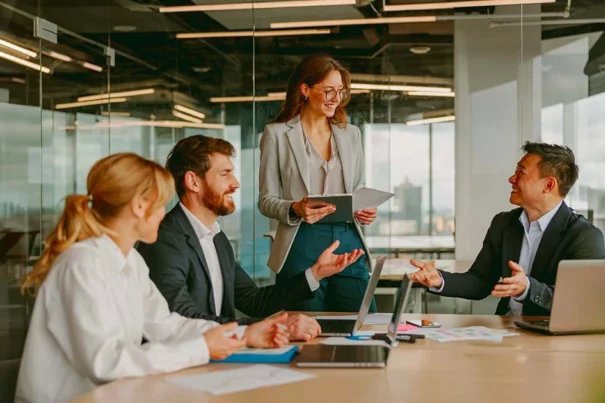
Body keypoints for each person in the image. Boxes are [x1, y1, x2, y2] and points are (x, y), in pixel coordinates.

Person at [15, 153, 289, 403]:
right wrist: (202, 347)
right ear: (139, 206)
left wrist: (243, 335)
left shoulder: (131, 261)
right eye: (161, 204)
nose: (164, 214)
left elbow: (166, 325)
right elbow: (106, 362)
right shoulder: (82, 264)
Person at [138, 135, 365, 341]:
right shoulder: (164, 240)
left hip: (221, 355)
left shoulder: (215, 237)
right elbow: (182, 318)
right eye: (225, 174)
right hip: (188, 364)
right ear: (193, 182)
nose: (235, 183)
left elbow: (254, 301)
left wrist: (316, 273)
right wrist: (275, 327)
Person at [408, 142, 605, 316]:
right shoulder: (504, 223)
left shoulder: (584, 236)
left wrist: (527, 288)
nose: (512, 179)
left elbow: (581, 303)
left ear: (548, 185)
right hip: (506, 331)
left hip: (550, 338)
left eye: (521, 173)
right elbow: (479, 282)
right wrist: (440, 280)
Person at [258, 53, 377, 312]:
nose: (336, 99)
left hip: (348, 239)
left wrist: (365, 209)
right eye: (329, 91)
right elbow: (266, 201)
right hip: (301, 240)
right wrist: (295, 208)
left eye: (341, 92)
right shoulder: (276, 134)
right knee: (307, 329)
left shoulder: (351, 134)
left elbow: (358, 189)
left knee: (362, 323)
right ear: (305, 89)